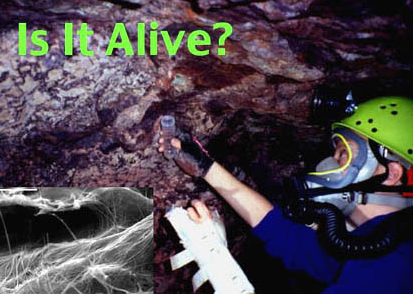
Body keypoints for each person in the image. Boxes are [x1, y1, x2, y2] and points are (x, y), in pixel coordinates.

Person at [158, 96, 413, 293]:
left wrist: (217, 262)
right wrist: (205, 167)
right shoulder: (371, 242)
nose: (329, 165)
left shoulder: (393, 263)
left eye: (344, 154)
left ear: (391, 173)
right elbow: (284, 235)